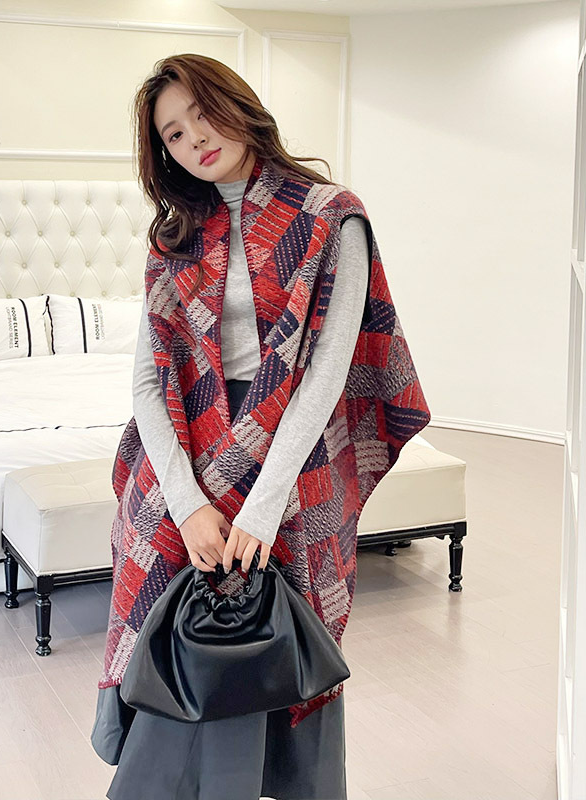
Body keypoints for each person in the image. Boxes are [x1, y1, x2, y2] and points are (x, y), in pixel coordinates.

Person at [91, 54, 431, 800]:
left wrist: (263, 505)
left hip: (293, 451)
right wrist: (187, 502)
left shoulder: (330, 215)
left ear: (236, 104)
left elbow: (327, 374)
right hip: (188, 445)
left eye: (201, 114)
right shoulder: (175, 235)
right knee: (159, 551)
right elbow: (147, 383)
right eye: (173, 134)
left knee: (281, 607)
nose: (194, 139)